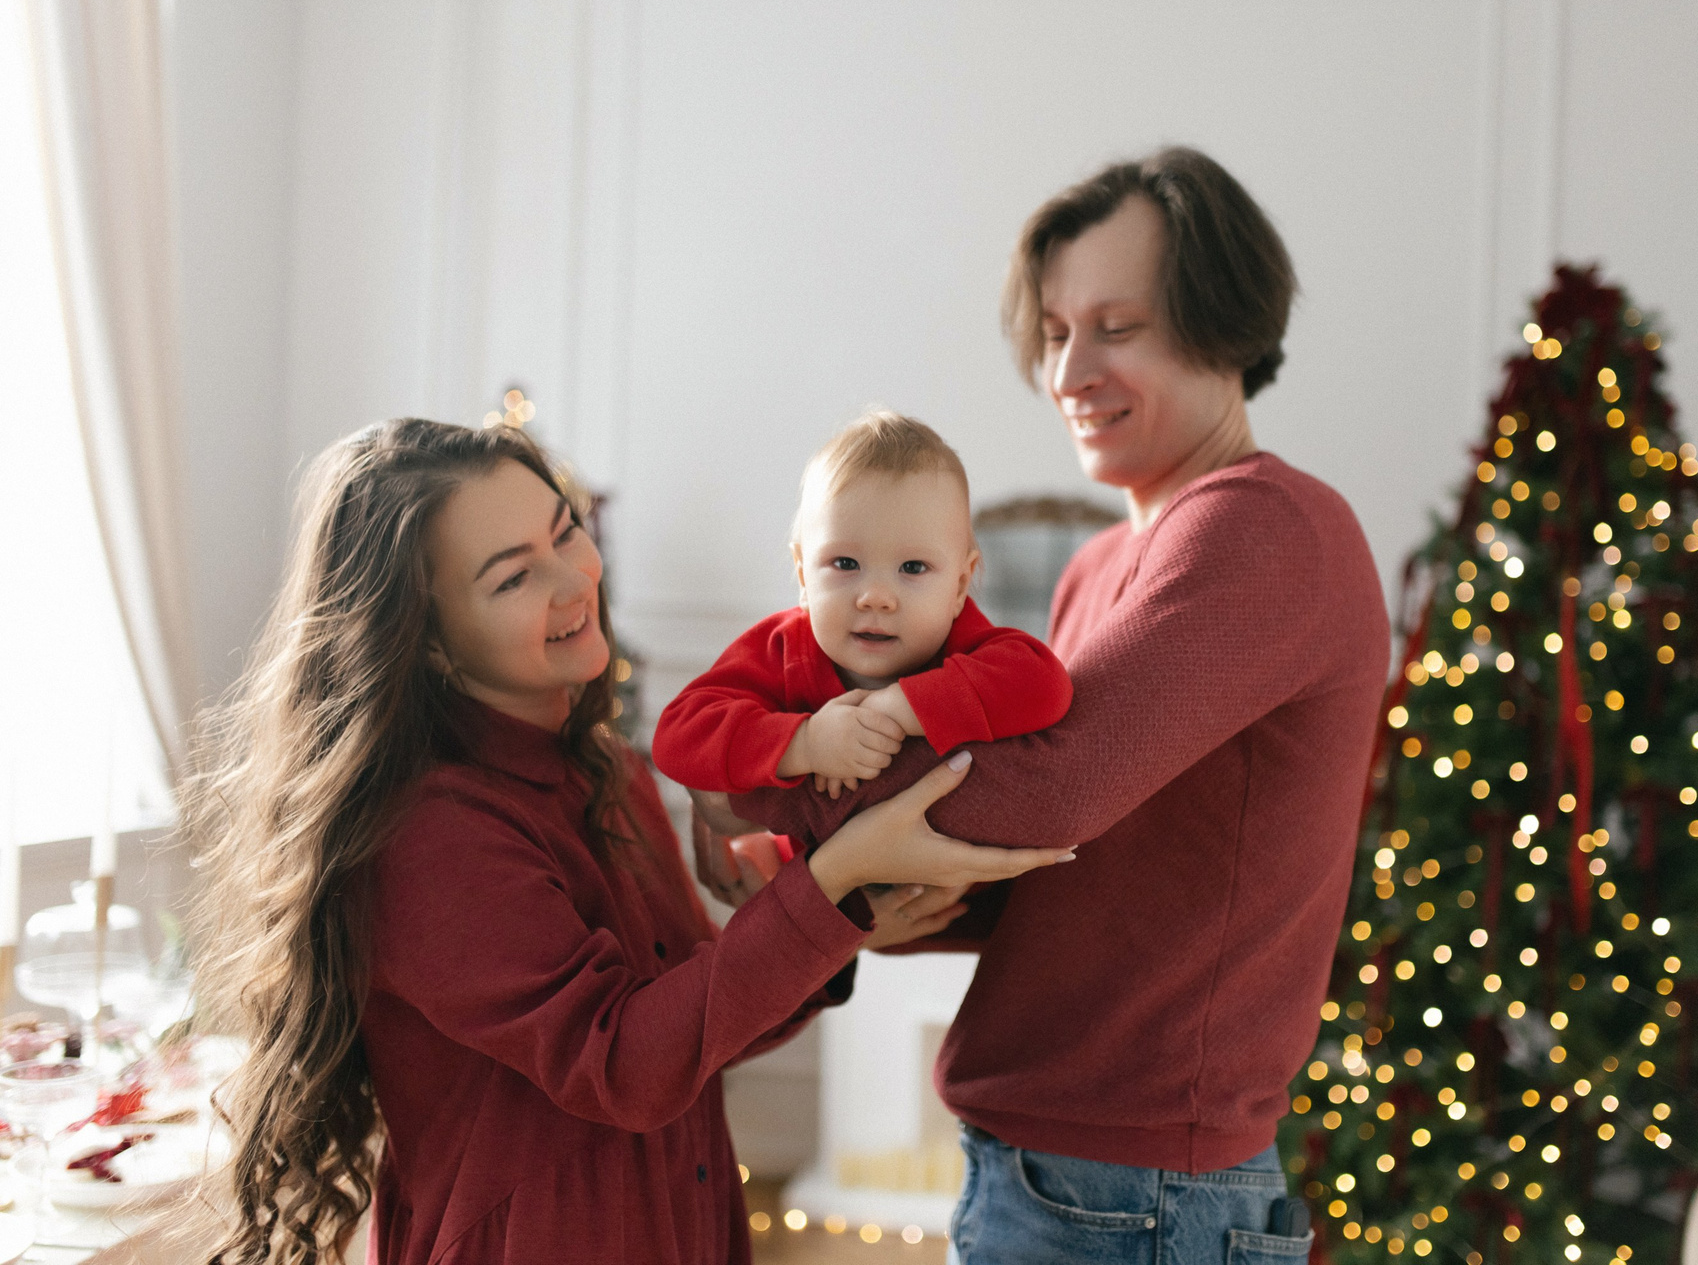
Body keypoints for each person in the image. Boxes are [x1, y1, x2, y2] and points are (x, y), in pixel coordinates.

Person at [708, 147, 1391, 1262]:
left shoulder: (1264, 526)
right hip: (1051, 1166)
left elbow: (1040, 793)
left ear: (1225, 326)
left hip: (1138, 1187)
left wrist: (762, 769)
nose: (1068, 368)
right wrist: (829, 881)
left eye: (1117, 327)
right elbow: (1052, 867)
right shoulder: (1100, 565)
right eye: (1058, 330)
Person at [181, 419, 1074, 1265]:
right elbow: (624, 1066)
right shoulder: (428, 836)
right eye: (512, 577)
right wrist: (834, 880)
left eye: (565, 532)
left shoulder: (610, 770)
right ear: (429, 644)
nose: (574, 581)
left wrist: (837, 927)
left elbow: (690, 1033)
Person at [653, 409, 1072, 809]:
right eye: (845, 563)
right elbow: (676, 738)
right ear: (803, 576)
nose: (875, 597)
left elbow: (1047, 685)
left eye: (913, 567)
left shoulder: (965, 641)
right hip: (825, 858)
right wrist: (805, 744)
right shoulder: (783, 649)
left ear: (959, 587)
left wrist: (901, 708)